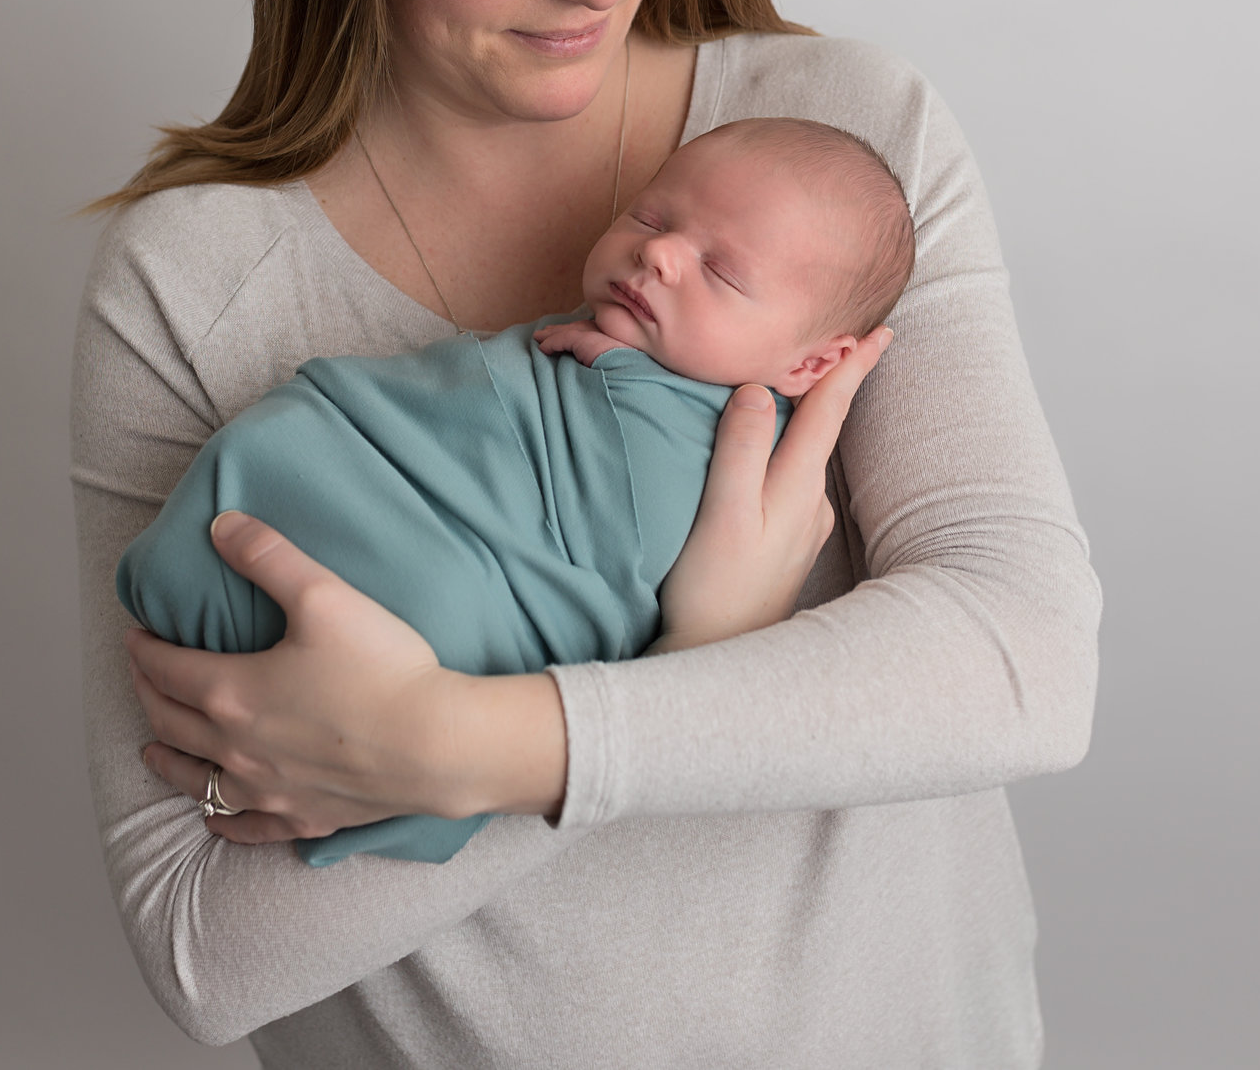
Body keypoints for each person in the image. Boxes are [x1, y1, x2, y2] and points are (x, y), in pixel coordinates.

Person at [72, 0, 1100, 1067]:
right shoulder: (199, 283)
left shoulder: (842, 147)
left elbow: (1025, 661)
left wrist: (466, 740)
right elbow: (206, 948)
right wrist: (694, 657)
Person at [115, 119, 913, 869]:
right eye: (649, 215)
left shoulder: (746, 462)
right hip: (341, 470)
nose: (661, 253)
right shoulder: (175, 266)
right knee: (280, 450)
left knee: (443, 607)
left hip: (452, 600)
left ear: (812, 365)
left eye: (722, 270)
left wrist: (700, 658)